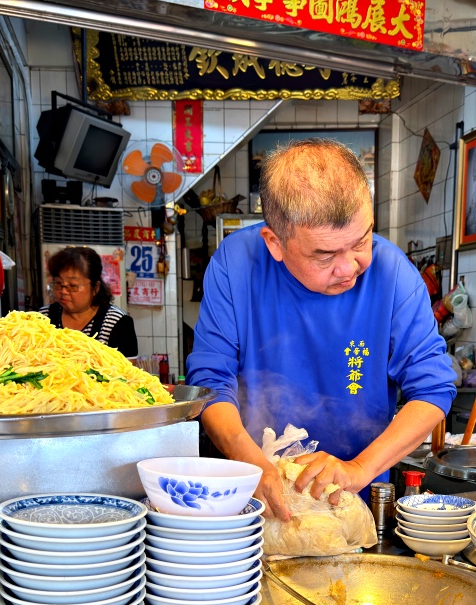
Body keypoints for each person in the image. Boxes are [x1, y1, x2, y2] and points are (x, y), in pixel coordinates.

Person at [186, 139, 455, 520]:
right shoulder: (236, 264)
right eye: (325, 255)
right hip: (253, 498)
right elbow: (211, 380)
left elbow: (433, 389)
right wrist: (251, 464)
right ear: (275, 243)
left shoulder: (393, 274)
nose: (349, 268)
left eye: (361, 242)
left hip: (357, 503)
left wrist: (359, 469)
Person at [40, 246, 137, 357]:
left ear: (95, 288)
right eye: (58, 283)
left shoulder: (118, 322)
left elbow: (127, 371)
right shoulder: (43, 318)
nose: (63, 291)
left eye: (73, 286)